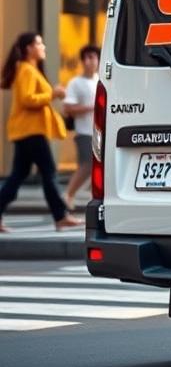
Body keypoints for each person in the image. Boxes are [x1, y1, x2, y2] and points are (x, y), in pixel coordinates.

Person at [0, 32, 81, 233]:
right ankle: (61, 217)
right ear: (29, 48)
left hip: (28, 131)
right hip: (31, 131)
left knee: (19, 176)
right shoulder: (27, 70)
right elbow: (28, 99)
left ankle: (60, 217)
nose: (43, 46)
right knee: (49, 173)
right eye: (39, 43)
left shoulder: (29, 69)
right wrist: (53, 94)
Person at [63, 44, 100, 213]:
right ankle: (69, 194)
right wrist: (92, 107)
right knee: (86, 166)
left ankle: (95, 197)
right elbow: (68, 107)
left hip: (100, 131)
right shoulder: (75, 83)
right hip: (84, 132)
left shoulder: (101, 80)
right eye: (85, 58)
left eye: (92, 57)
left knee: (97, 167)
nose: (88, 61)